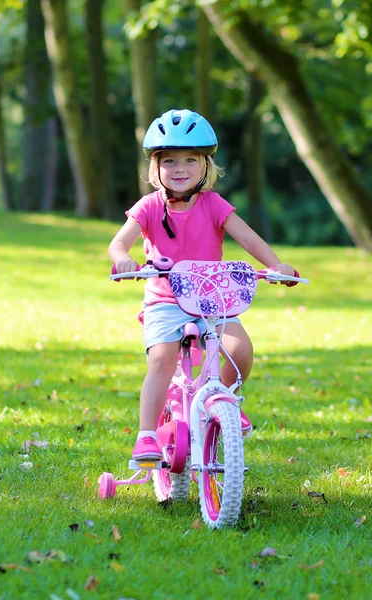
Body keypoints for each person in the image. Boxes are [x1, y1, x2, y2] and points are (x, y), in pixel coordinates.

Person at [108, 108, 297, 461]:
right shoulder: (149, 206)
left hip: (212, 300)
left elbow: (249, 238)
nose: (179, 169)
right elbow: (119, 243)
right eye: (169, 161)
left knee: (240, 350)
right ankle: (147, 435)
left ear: (206, 166)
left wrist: (276, 265)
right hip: (165, 301)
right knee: (162, 360)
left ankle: (220, 401)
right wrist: (122, 258)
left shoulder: (214, 205)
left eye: (190, 160)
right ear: (156, 168)